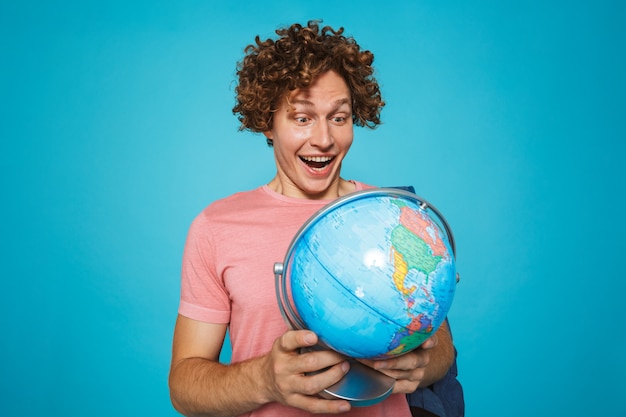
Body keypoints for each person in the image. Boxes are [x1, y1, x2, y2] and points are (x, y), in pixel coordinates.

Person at [169, 21, 459, 417]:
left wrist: (425, 364)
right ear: (267, 121)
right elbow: (185, 386)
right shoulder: (216, 227)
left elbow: (439, 342)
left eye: (338, 118)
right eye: (302, 118)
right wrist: (264, 380)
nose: (323, 139)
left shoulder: (392, 215)